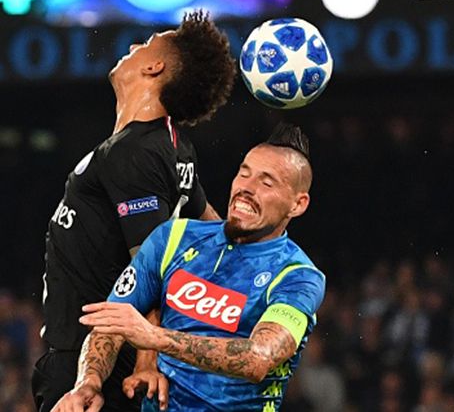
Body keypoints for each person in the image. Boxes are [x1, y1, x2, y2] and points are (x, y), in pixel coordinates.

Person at [32, 10, 236, 412]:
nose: (131, 47)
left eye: (145, 44)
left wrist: (147, 362)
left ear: (154, 66)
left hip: (94, 367)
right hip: (98, 359)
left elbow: (152, 265)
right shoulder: (172, 147)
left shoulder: (134, 154)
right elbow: (213, 229)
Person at [52, 124, 327, 412]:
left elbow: (258, 359)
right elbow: (113, 323)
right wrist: (88, 384)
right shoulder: (174, 237)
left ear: (298, 205)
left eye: (266, 183)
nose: (246, 187)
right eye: (244, 173)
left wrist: (154, 337)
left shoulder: (298, 276)